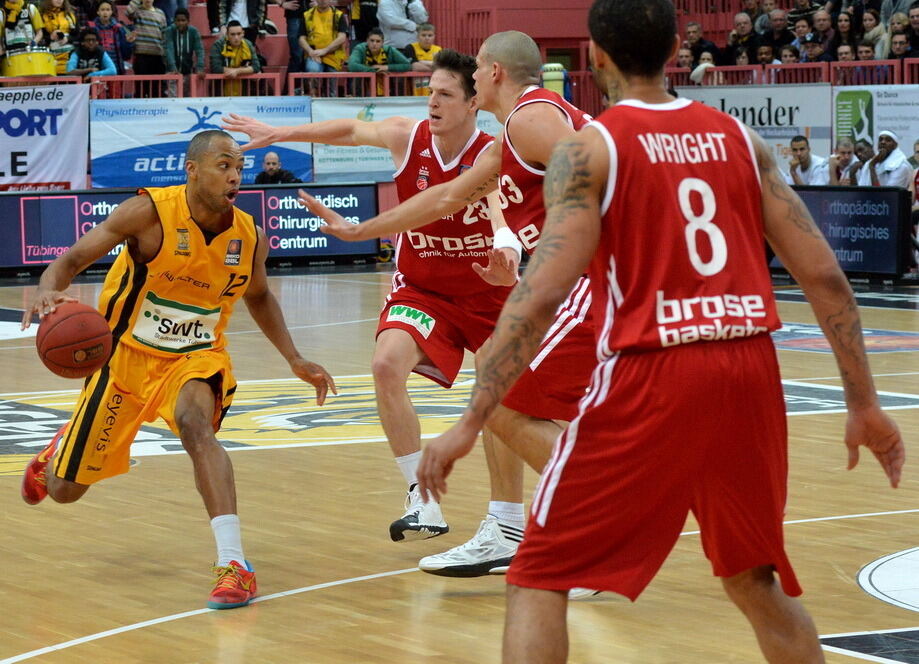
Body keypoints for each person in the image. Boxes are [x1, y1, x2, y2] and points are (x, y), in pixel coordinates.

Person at [415, 1, 905, 661]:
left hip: (654, 369)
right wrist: (864, 403)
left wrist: (471, 420)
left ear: (595, 56)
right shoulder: (739, 139)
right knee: (754, 582)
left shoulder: (591, 150)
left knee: (538, 576)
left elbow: (540, 293)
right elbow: (825, 279)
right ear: (676, 48)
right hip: (750, 373)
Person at [300, 31, 599, 590]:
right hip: (572, 279)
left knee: (502, 403)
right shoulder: (510, 138)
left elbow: (591, 175)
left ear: (490, 74)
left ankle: (597, 522)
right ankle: (514, 527)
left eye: (463, 79)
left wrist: (557, 249)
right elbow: (442, 199)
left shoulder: (527, 118)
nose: (434, 99)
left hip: (592, 277)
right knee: (503, 396)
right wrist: (361, 230)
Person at [19, 129, 337, 610]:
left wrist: (294, 358)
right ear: (192, 170)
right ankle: (61, 448)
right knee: (64, 492)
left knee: (196, 427)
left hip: (196, 356)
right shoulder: (147, 212)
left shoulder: (249, 236)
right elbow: (70, 261)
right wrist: (47, 290)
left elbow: (258, 296)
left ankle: (234, 565)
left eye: (239, 168)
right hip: (123, 359)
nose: (235, 176)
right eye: (223, 166)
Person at [223, 49, 521, 547]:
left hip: (485, 293)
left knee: (497, 399)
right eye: (430, 92)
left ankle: (503, 520)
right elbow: (348, 131)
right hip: (422, 288)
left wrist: (507, 250)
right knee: (385, 365)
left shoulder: (489, 153)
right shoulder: (409, 137)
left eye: (445, 94)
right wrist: (282, 134)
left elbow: (499, 217)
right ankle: (420, 498)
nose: (433, 102)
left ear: (473, 103)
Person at [298, 0, 348, 96]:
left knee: (332, 90)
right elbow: (301, 38)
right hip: (314, 55)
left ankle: (331, 102)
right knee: (312, 70)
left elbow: (342, 37)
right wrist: (310, 51)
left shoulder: (338, 15)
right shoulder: (307, 15)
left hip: (333, 55)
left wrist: (325, 50)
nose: (323, 0)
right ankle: (313, 98)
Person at [348, 26, 411, 95]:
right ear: (367, 41)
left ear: (382, 43)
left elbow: (407, 65)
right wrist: (375, 70)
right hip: (365, 86)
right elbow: (352, 65)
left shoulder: (389, 50)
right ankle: (358, 101)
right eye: (372, 40)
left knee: (399, 78)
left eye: (378, 41)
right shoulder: (360, 48)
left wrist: (386, 67)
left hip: (387, 85)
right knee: (357, 77)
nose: (374, 44)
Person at [210, 20, 262, 97]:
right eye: (232, 34)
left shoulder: (248, 44)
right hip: (221, 90)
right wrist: (244, 70)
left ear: (243, 33)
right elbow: (215, 67)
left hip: (244, 90)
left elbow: (256, 66)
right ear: (227, 35)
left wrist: (237, 71)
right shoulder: (218, 45)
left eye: (238, 34)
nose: (236, 37)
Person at [127, 0, 167, 96]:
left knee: (157, 90)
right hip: (141, 55)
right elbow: (128, 12)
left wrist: (165, 54)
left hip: (157, 56)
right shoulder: (137, 12)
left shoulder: (160, 13)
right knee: (141, 89)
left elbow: (164, 35)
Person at [88, 0, 133, 75]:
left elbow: (126, 55)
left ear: (112, 12)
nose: (105, 12)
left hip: (116, 68)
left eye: (108, 10)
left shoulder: (119, 28)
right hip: (97, 69)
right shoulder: (91, 28)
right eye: (102, 10)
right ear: (98, 12)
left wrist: (128, 43)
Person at [165, 8, 205, 82]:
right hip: (172, 72)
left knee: (187, 94)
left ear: (188, 21)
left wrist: (200, 68)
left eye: (183, 20)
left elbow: (199, 50)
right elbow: (169, 49)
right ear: (174, 21)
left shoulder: (194, 31)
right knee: (173, 94)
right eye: (178, 20)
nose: (180, 23)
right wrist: (173, 68)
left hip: (187, 72)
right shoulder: (169, 31)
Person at [402, 22, 441, 95]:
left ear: (434, 36)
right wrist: (435, 67)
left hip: (433, 90)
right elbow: (415, 66)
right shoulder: (410, 48)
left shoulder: (438, 49)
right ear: (418, 36)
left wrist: (421, 62)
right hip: (413, 91)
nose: (427, 38)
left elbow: (442, 66)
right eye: (423, 35)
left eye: (430, 35)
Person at [39, 0, 76, 74]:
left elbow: (78, 36)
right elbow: (38, 39)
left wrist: (67, 39)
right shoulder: (41, 15)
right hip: (51, 58)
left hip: (70, 57)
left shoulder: (70, 14)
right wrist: (50, 37)